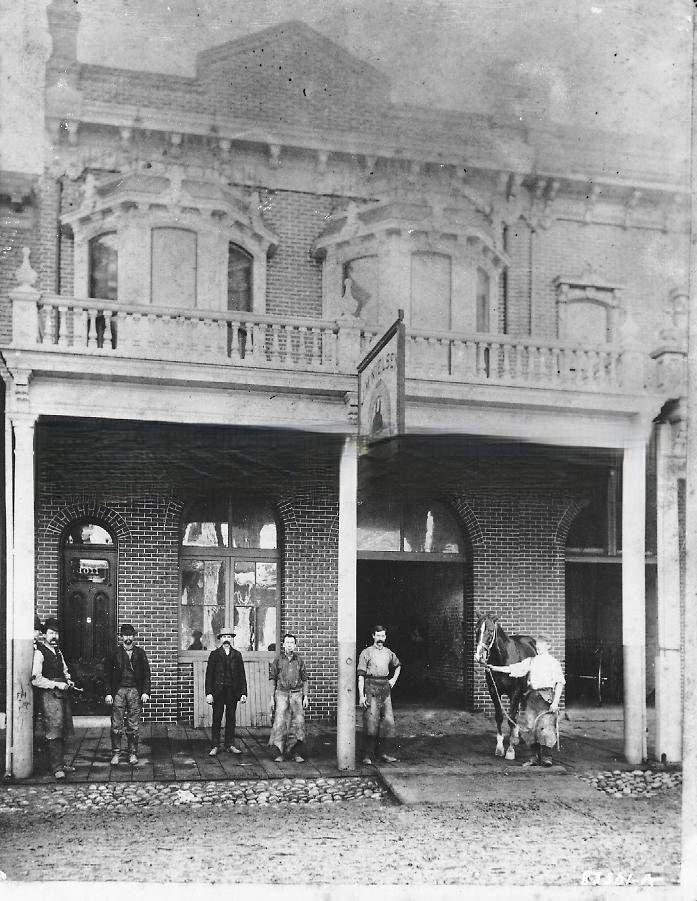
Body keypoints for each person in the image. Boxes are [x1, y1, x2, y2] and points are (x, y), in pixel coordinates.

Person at [485, 631, 565, 767]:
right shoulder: (531, 661)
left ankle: (546, 757)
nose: (538, 646)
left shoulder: (554, 663)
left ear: (549, 646)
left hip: (546, 697)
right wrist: (494, 668)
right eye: (538, 644)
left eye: (542, 644)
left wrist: (556, 701)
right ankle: (534, 757)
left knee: (546, 727)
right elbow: (513, 668)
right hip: (531, 696)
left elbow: (560, 682)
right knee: (529, 727)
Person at [31, 617, 75, 780]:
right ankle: (56, 767)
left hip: (62, 695)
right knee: (54, 729)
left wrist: (68, 679)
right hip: (49, 696)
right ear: (44, 634)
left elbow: (65, 671)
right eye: (51, 633)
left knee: (64, 728)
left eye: (56, 633)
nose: (54, 636)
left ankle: (62, 763)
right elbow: (36, 679)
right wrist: (56, 685)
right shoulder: (39, 653)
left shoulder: (58, 652)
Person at [105, 623, 151, 766]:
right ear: (120, 637)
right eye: (125, 635)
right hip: (118, 692)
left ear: (134, 637)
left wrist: (145, 692)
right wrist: (108, 693)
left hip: (134, 692)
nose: (128, 638)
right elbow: (106, 675)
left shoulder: (140, 653)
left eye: (130, 635)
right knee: (116, 724)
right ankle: (116, 754)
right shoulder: (114, 653)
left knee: (133, 725)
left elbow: (146, 675)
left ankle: (133, 753)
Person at [357, 625, 401, 765]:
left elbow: (398, 665)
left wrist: (393, 679)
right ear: (373, 636)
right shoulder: (366, 652)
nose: (380, 639)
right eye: (378, 636)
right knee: (371, 722)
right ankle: (367, 755)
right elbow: (360, 676)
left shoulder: (389, 653)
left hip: (385, 688)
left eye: (383, 636)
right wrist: (361, 695)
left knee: (387, 722)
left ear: (385, 637)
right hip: (370, 687)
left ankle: (383, 753)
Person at [205, 625, 247, 756]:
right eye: (224, 637)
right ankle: (215, 745)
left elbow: (242, 676)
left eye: (229, 637)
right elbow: (209, 676)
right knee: (217, 718)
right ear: (220, 639)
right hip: (218, 692)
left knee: (231, 718)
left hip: (232, 692)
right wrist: (209, 693)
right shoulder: (214, 655)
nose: (226, 639)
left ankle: (230, 744)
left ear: (232, 639)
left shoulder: (237, 655)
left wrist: (243, 693)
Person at [268, 633, 309, 762]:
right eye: (287, 642)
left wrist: (306, 696)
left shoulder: (300, 660)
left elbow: (305, 680)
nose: (290, 645)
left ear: (295, 645)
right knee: (280, 722)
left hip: (297, 694)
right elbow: (272, 679)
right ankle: (278, 752)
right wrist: (271, 697)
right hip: (281, 694)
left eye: (292, 642)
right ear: (284, 645)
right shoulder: (278, 660)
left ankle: (296, 752)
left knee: (298, 723)